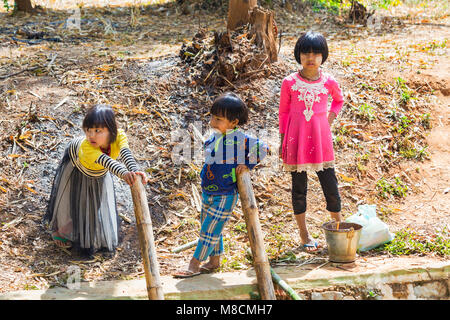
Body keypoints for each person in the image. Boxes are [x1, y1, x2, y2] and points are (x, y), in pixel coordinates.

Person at [173, 92, 269, 278]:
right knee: (209, 227)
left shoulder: (240, 138)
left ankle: (194, 264)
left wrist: (247, 164)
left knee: (209, 230)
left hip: (225, 194)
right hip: (209, 191)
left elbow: (263, 148)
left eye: (218, 119)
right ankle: (215, 261)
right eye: (212, 117)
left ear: (233, 122)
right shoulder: (215, 137)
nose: (212, 122)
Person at [43, 104, 147, 256]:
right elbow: (108, 162)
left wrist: (134, 171)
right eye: (88, 130)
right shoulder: (87, 147)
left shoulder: (119, 136)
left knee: (95, 203)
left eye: (98, 131)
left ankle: (85, 229)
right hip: (77, 165)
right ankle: (62, 230)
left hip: (97, 172)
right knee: (75, 201)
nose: (91, 135)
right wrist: (124, 174)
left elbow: (125, 153)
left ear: (111, 130)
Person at [278, 31, 344, 252]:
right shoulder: (289, 83)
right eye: (306, 52)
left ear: (323, 56)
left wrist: (329, 119)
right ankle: (304, 235)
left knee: (331, 186)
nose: (311, 57)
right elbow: (284, 113)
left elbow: (338, 100)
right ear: (299, 54)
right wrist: (283, 140)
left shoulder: (328, 81)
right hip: (296, 142)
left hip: (321, 140)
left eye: (316, 53)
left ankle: (338, 231)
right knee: (299, 189)